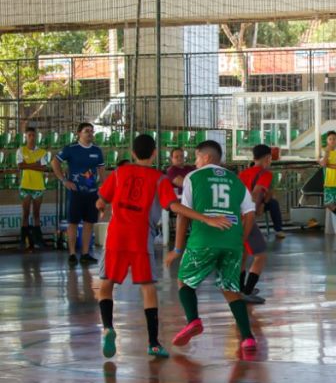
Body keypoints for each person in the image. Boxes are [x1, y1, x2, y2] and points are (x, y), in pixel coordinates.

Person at [95, 135, 232, 359]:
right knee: (148, 289)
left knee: (106, 284)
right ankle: (153, 342)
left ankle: (108, 327)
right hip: (141, 239)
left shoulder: (119, 173)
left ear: (132, 153)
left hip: (116, 237)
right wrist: (205, 218)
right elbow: (175, 206)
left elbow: (100, 201)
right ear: (155, 153)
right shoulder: (159, 179)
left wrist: (101, 208)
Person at [165, 140, 259, 358]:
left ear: (206, 157)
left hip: (203, 240)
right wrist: (239, 239)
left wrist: (178, 249)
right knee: (231, 290)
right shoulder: (235, 180)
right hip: (232, 242)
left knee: (184, 281)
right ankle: (247, 338)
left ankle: (193, 320)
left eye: (196, 157)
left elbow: (183, 214)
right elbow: (250, 214)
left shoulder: (194, 177)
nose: (195, 162)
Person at [52, 122, 105, 267]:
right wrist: (64, 180)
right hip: (76, 192)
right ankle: (72, 254)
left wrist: (102, 186)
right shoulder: (71, 149)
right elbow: (55, 162)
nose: (90, 133)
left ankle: (85, 254)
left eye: (91, 131)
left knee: (89, 223)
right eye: (86, 131)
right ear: (79, 133)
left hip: (92, 193)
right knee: (73, 222)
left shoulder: (97, 150)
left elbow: (101, 170)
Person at [237, 144, 273, 305]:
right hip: (247, 217)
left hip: (236, 217)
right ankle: (247, 291)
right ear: (267, 158)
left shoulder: (243, 173)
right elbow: (258, 191)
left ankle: (239, 289)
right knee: (261, 255)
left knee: (243, 254)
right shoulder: (265, 173)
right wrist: (255, 209)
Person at [16, 127, 49, 250]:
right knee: (25, 213)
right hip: (25, 186)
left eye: (33, 135)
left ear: (36, 137)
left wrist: (28, 165)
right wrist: (36, 164)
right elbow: (20, 166)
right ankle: (23, 241)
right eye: (29, 135)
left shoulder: (42, 152)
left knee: (36, 214)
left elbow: (43, 168)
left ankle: (38, 240)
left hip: (38, 186)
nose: (31, 137)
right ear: (26, 136)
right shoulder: (21, 150)